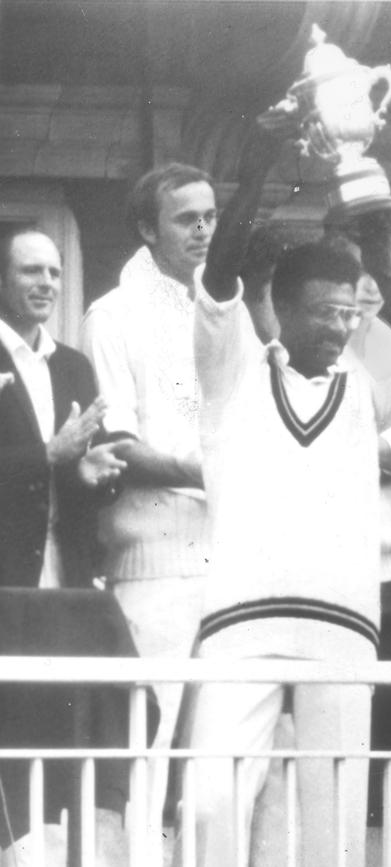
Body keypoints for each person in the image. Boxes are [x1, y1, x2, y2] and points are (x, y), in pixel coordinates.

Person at [170, 112, 391, 867]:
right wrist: (261, 163)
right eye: (323, 312)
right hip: (241, 627)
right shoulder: (233, 369)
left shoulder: (363, 388)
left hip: (342, 629)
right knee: (210, 806)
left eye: (346, 313)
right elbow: (221, 277)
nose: (337, 326)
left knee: (332, 832)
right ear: (285, 309)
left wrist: (382, 273)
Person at [80, 163, 217, 863]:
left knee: (213, 762)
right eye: (185, 218)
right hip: (152, 564)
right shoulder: (112, 314)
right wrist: (209, 471)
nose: (202, 230)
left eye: (209, 217)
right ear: (146, 227)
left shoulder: (220, 314)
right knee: (150, 751)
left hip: (222, 562)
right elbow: (120, 443)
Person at [0, 227, 128, 866]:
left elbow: (79, 484)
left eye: (53, 272)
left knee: (59, 732)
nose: (46, 284)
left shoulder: (73, 366)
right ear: (3, 280)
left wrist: (84, 476)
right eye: (30, 272)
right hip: (4, 585)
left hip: (65, 583)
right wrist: (46, 457)